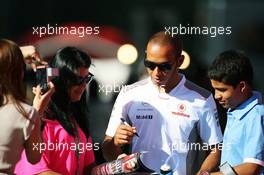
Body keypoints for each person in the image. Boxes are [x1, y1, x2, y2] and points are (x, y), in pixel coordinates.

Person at [102, 32, 223, 175]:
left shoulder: (202, 98)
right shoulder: (128, 94)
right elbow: (107, 151)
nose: (156, 73)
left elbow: (215, 150)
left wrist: (203, 173)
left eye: (165, 66)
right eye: (150, 65)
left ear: (180, 61)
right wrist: (115, 142)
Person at [15, 47, 96, 175]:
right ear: (61, 80)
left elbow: (89, 169)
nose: (83, 85)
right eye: (78, 80)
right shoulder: (40, 118)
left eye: (87, 78)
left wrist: (118, 166)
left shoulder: (76, 119)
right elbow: (39, 172)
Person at [0, 39, 54, 174]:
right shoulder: (26, 114)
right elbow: (35, 157)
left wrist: (17, 54)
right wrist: (37, 112)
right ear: (20, 74)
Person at [207, 50, 264, 175]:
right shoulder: (235, 110)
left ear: (242, 86)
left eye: (222, 90)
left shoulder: (256, 116)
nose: (216, 96)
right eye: (214, 89)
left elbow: (252, 168)